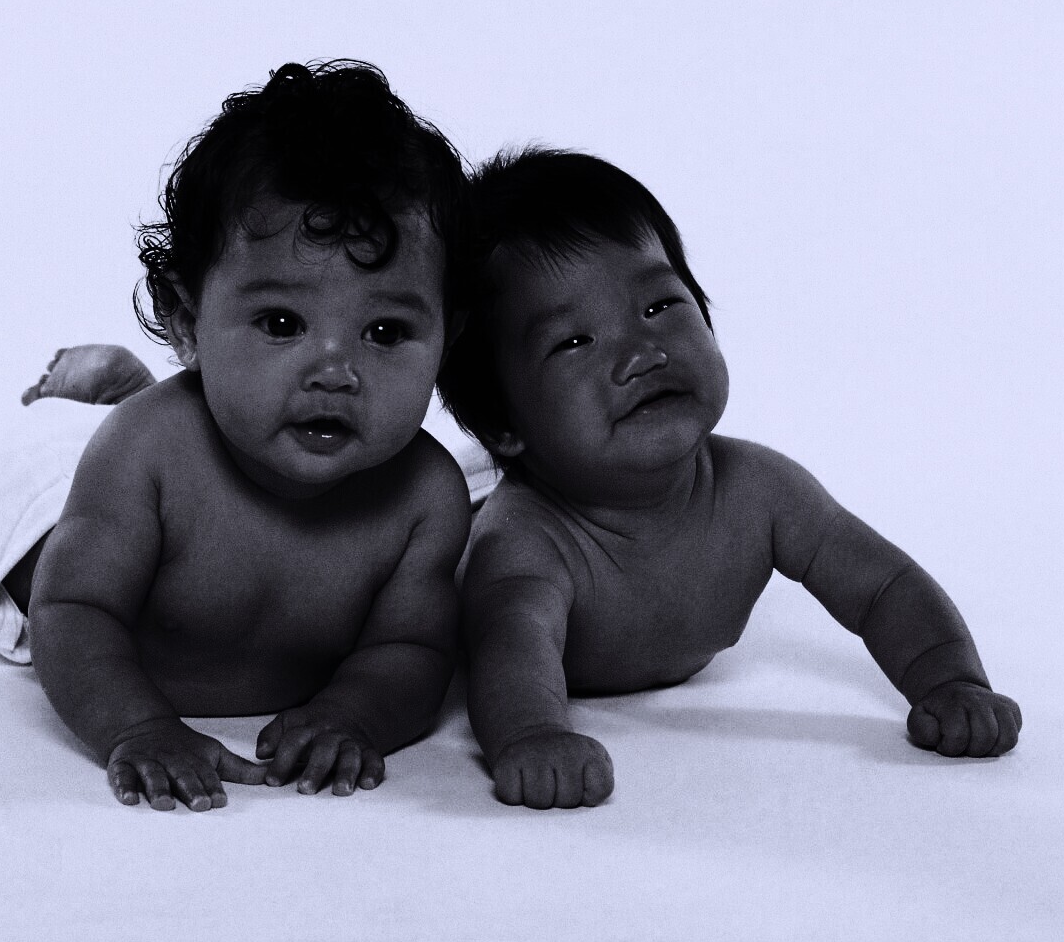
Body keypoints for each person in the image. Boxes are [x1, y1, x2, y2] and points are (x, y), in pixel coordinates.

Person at [0, 61, 473, 810]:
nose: (335, 372)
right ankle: (76, 406)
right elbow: (74, 612)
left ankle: (111, 388)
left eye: (385, 331)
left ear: (448, 339)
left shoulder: (426, 496)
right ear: (188, 321)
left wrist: (355, 712)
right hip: (44, 534)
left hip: (191, 428)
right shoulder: (148, 454)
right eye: (282, 323)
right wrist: (138, 726)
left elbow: (411, 647)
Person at [436, 147, 1022, 810]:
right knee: (443, 510)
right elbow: (510, 649)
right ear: (502, 420)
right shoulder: (524, 544)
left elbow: (883, 586)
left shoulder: (759, 491)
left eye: (660, 305)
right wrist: (531, 735)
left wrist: (950, 681)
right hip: (477, 501)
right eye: (574, 341)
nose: (642, 354)